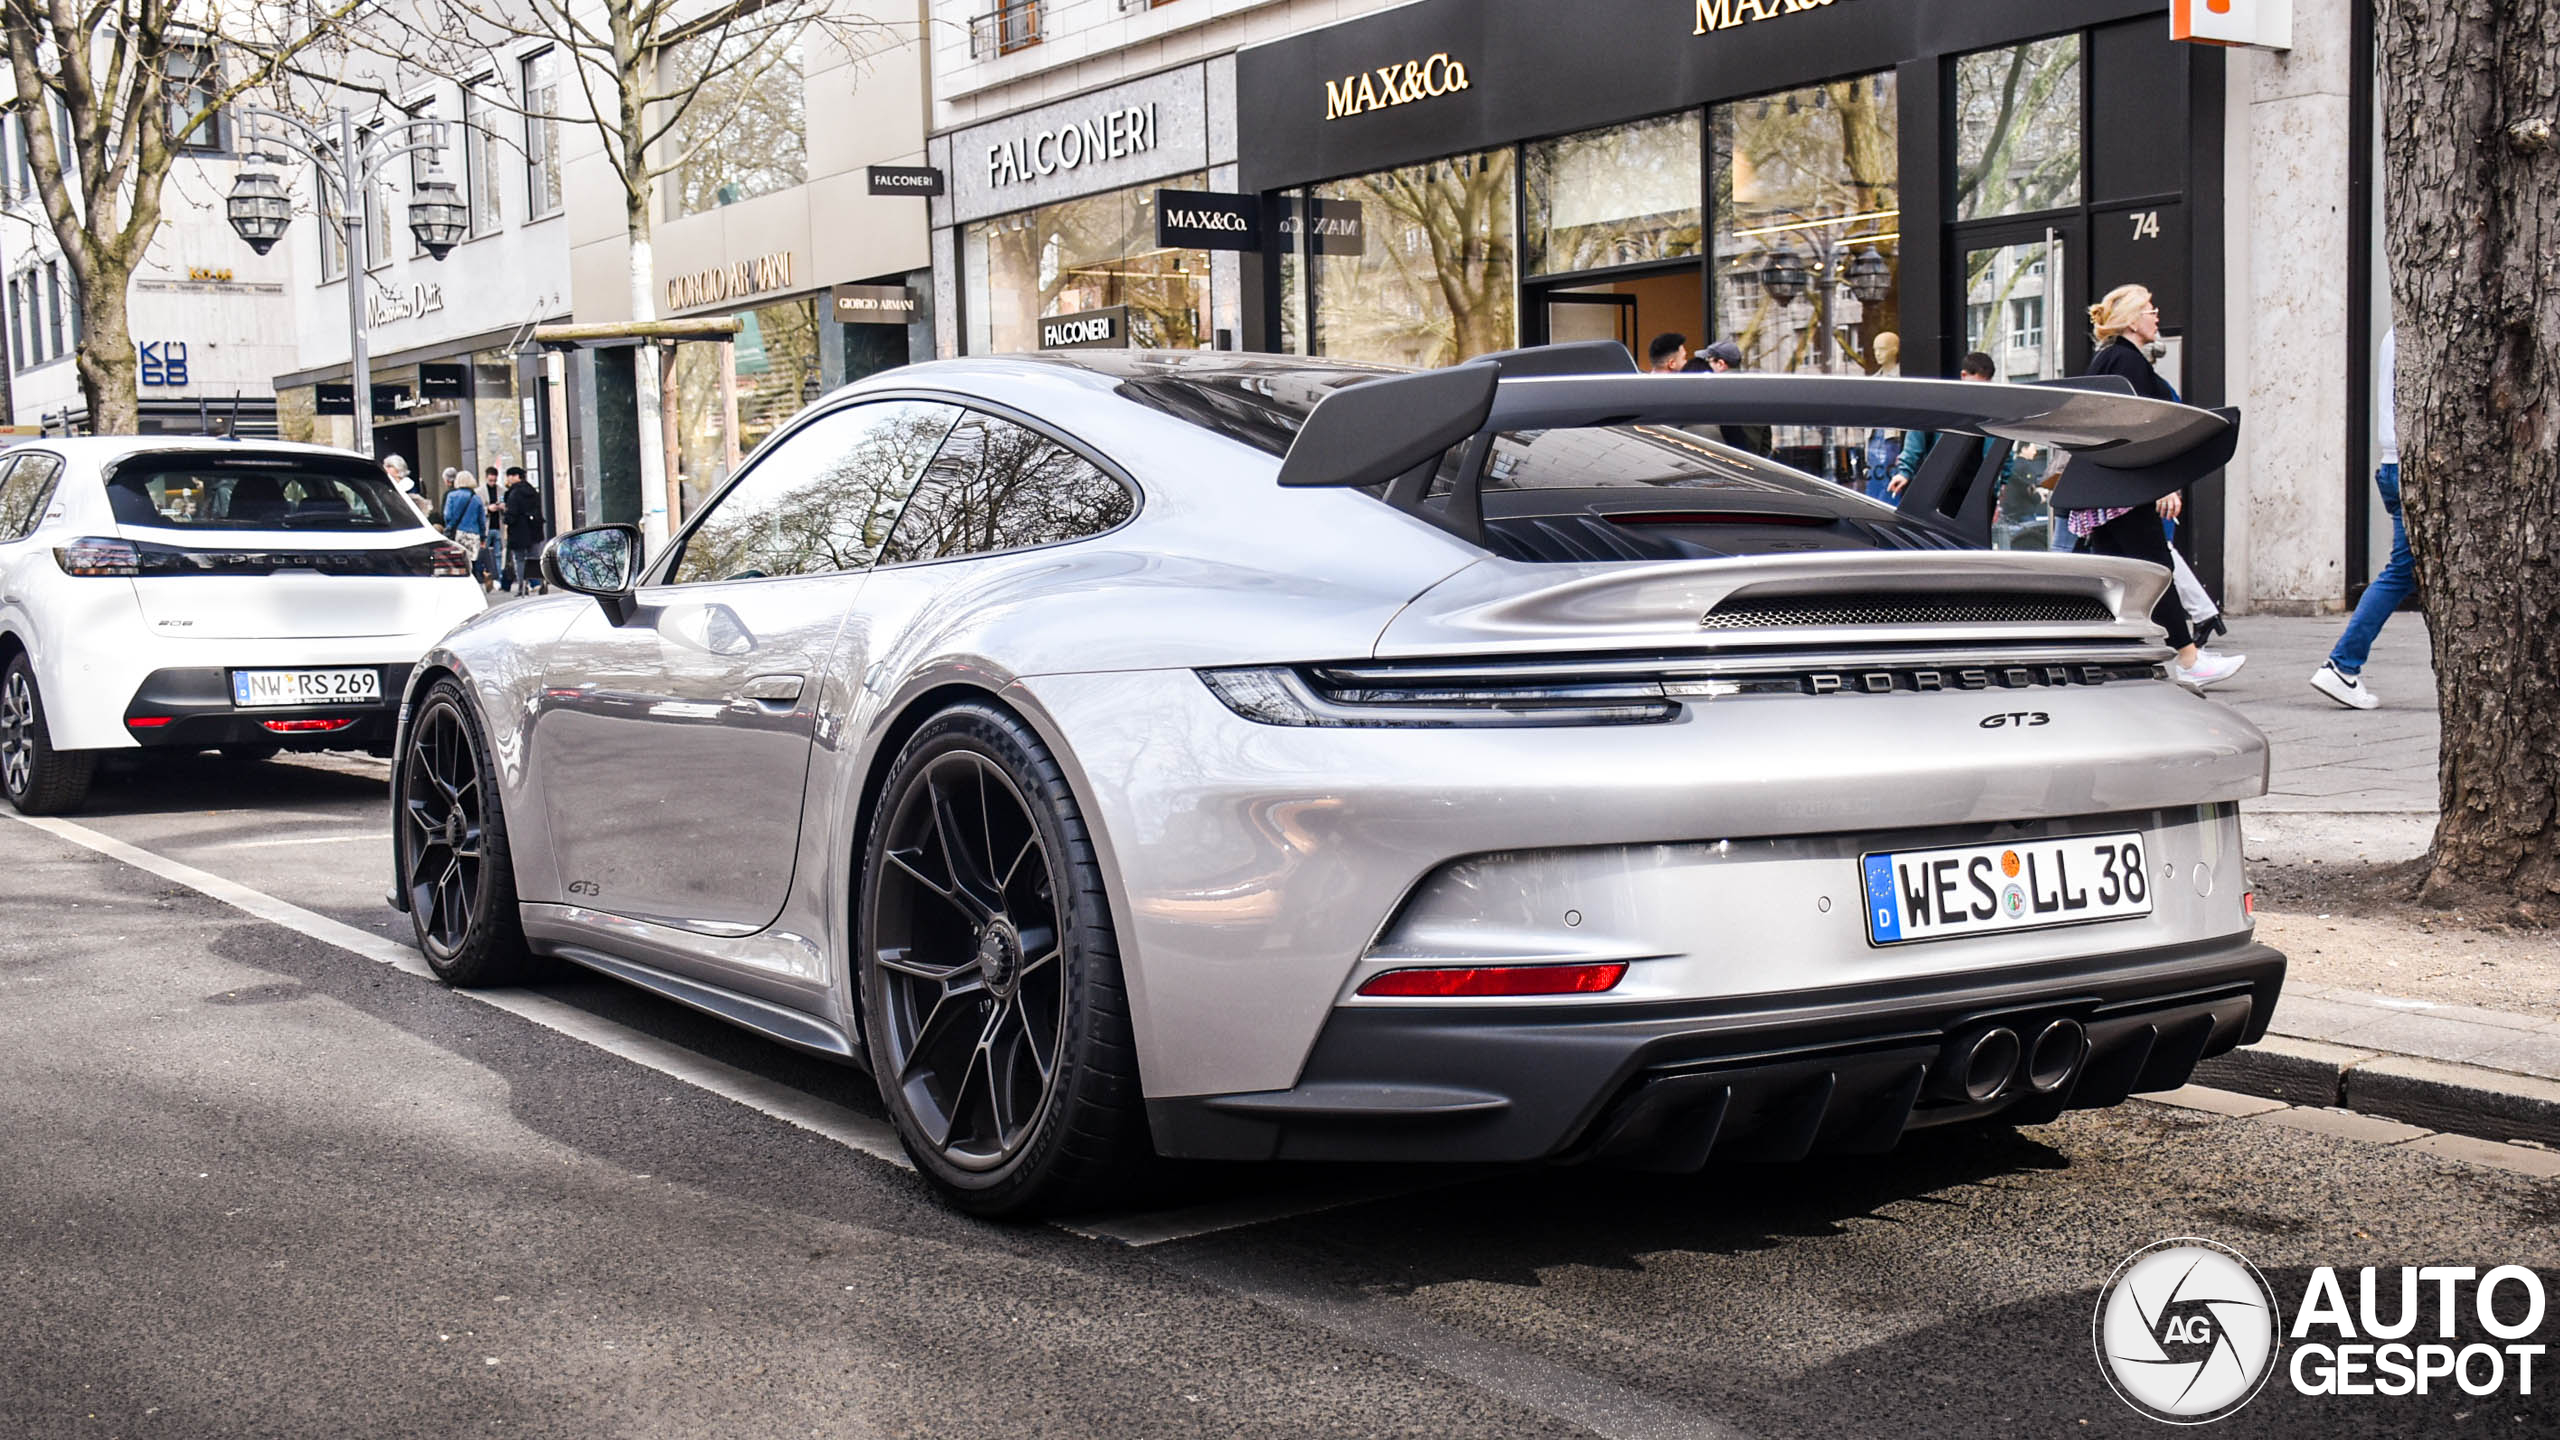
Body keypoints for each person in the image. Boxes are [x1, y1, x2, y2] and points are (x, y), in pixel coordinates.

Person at [2065, 285, 2244, 688]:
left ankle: (2114, 657)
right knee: (2154, 571)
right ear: (2131, 320)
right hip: (2126, 489)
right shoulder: (2125, 361)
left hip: (2109, 489)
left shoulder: (2113, 358)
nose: (2157, 315)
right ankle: (2188, 658)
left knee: (2121, 575)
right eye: (2149, 309)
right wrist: (2161, 483)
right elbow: (2137, 428)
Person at [2311, 328, 2409, 709]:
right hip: (2408, 464)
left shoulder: (2393, 333)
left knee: (2408, 571)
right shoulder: (2412, 331)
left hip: (2393, 463)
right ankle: (2342, 664)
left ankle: (2343, 664)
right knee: (2402, 572)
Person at [1884, 351, 2003, 502]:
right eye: (1977, 385)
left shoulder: (1990, 410)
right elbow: (1916, 437)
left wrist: (1999, 487)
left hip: (1976, 491)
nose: (1980, 392)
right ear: (1963, 376)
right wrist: (1905, 472)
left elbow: (2000, 450)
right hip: (1942, 489)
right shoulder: (1943, 405)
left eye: (1986, 386)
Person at [440, 469, 491, 592]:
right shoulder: (476, 498)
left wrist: (450, 527)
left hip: (458, 532)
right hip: (473, 534)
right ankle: (473, 587)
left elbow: (447, 515)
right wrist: (483, 537)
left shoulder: (452, 496)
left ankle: (460, 588)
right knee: (472, 562)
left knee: (458, 562)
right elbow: (481, 520)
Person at [500, 465, 546, 595]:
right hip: (534, 529)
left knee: (520, 560)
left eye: (509, 476)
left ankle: (522, 586)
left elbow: (512, 514)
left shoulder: (514, 493)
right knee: (534, 558)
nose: (508, 479)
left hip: (518, 531)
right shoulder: (532, 491)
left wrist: (506, 515)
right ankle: (538, 583)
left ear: (515, 476)